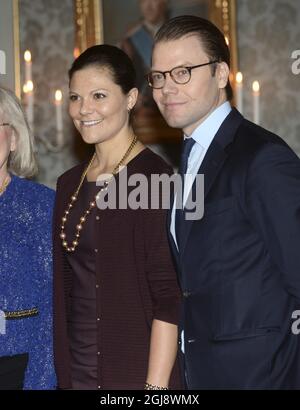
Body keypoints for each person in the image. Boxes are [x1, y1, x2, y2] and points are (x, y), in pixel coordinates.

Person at [149, 15, 300, 389]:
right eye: (158, 76)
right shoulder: (188, 158)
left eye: (182, 72)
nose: (167, 87)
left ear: (221, 74)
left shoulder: (262, 157)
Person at [53, 44, 181, 390]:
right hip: (74, 372)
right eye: (75, 98)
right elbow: (65, 289)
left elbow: (168, 295)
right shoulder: (68, 184)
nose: (83, 110)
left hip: (135, 372)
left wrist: (154, 388)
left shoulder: (154, 178)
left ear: (130, 99)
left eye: (98, 95)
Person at [0, 87, 56, 389]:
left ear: (15, 138)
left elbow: (54, 304)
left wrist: (42, 378)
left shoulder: (41, 206)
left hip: (21, 366)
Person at [121, 0, 169, 114]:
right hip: (142, 113)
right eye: (143, 1)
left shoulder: (175, 33)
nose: (148, 6)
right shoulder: (131, 38)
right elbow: (124, 77)